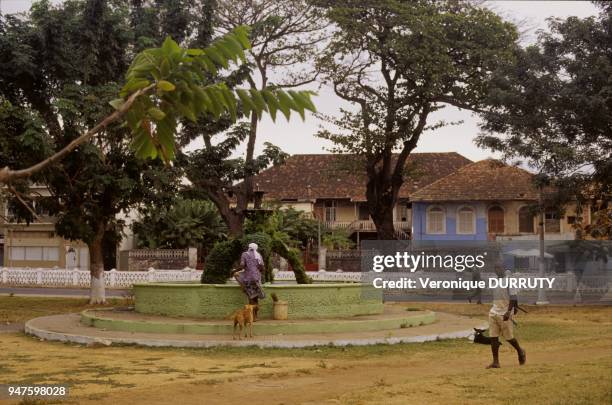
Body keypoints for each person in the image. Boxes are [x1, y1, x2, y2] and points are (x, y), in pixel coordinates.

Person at [486, 266, 526, 369]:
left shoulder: (509, 281)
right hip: (494, 312)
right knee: (493, 337)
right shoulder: (495, 281)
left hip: (505, 314)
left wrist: (509, 311)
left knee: (509, 337)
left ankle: (520, 351)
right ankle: (496, 362)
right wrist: (515, 306)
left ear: (503, 269)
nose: (497, 270)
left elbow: (513, 296)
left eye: (499, 268)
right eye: (496, 269)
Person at [231, 243, 265, 320]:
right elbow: (262, 268)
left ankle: (252, 317)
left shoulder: (245, 254)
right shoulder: (259, 255)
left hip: (248, 279)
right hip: (257, 279)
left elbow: (242, 266)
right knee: (256, 297)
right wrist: (256, 271)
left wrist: (234, 271)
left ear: (249, 247)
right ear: (256, 248)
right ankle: (255, 316)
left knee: (251, 297)